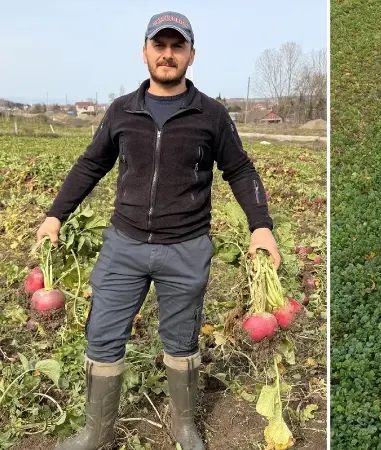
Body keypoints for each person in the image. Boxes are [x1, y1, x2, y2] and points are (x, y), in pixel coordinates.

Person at [43, 12, 280, 450]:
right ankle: (96, 433)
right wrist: (56, 214)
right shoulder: (122, 111)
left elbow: (240, 168)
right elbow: (91, 164)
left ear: (191, 54)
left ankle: (185, 427)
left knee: (182, 338)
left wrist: (261, 227)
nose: (167, 55)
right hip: (123, 245)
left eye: (177, 46)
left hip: (186, 248)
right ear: (145, 51)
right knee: (103, 335)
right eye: (159, 45)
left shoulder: (210, 114)